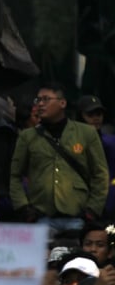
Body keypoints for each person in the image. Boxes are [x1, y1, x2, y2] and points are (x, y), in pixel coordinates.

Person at [10, 82, 109, 233]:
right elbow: (15, 175)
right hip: (41, 216)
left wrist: (92, 210)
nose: (40, 104)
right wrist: (24, 207)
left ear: (62, 103)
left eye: (46, 99)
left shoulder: (86, 133)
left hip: (78, 215)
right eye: (38, 100)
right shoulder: (27, 136)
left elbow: (100, 174)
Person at [76, 95, 115, 218]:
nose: (96, 118)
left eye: (99, 114)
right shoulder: (70, 143)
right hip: (79, 202)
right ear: (80, 116)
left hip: (107, 200)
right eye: (90, 114)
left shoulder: (110, 142)